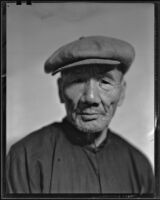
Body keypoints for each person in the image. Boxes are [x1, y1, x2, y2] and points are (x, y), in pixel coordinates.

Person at [6, 36, 154, 194]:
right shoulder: (25, 158)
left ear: (122, 93)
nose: (90, 97)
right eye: (78, 80)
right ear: (60, 90)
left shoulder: (139, 166)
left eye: (104, 82)